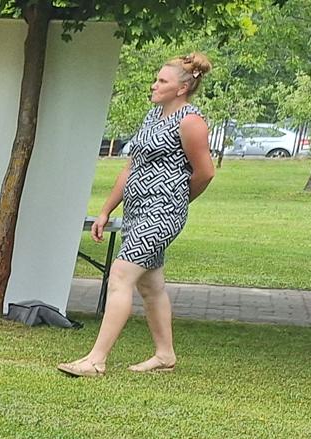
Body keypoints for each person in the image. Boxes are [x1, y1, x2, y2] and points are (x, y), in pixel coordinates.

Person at [57, 53, 216, 377]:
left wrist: (176, 199)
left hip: (162, 212)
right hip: (136, 209)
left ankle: (96, 360)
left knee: (120, 276)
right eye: (156, 79)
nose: (154, 85)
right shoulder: (153, 116)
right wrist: (105, 211)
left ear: (182, 88)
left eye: (162, 81)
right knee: (150, 286)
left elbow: (205, 172)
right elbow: (131, 168)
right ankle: (165, 355)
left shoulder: (190, 122)